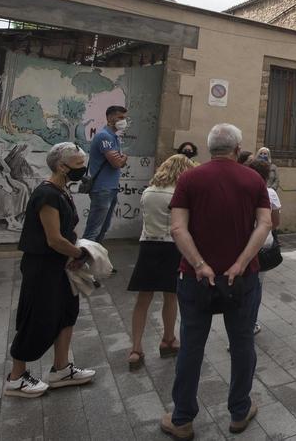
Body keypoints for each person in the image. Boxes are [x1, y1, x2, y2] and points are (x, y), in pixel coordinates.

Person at [160, 124, 272, 438]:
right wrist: (240, 263)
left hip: (195, 277)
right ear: (237, 149)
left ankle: (182, 418)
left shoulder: (189, 178)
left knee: (191, 346)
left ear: (210, 149)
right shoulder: (253, 179)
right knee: (242, 343)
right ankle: (239, 411)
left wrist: (200, 264)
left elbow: (177, 229)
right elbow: (263, 225)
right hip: (242, 278)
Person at [4, 142, 96, 398]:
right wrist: (80, 254)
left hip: (61, 264)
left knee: (68, 312)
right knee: (37, 317)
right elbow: (53, 238)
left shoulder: (63, 191)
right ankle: (16, 377)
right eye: (78, 165)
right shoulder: (47, 195)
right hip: (43, 265)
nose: (82, 169)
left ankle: (61, 368)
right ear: (61, 166)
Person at [126, 154, 195, 371]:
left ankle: (136, 349)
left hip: (148, 245)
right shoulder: (179, 195)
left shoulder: (148, 192)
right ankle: (168, 339)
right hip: (171, 247)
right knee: (171, 296)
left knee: (143, 299)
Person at [84, 105, 129, 242]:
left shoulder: (113, 137)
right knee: (94, 230)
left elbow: (118, 161)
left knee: (103, 228)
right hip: (102, 189)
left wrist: (121, 159)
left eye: (125, 118)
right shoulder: (105, 136)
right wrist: (124, 158)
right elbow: (117, 163)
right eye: (120, 117)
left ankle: (93, 258)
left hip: (110, 188)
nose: (123, 121)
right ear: (110, 118)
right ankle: (80, 260)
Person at [247, 159, 282, 335]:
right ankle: (250, 323)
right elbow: (275, 222)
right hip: (261, 244)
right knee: (257, 285)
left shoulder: (240, 190)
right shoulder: (269, 193)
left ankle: (239, 321)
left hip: (240, 242)